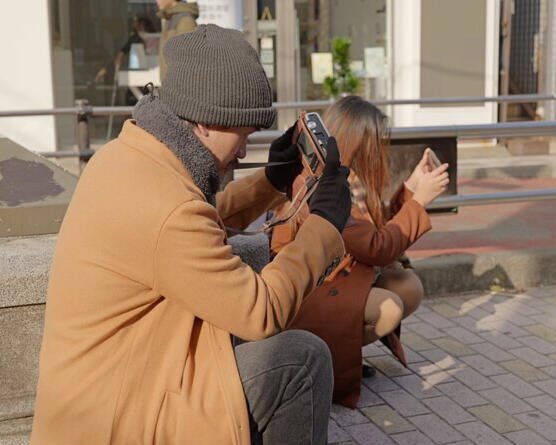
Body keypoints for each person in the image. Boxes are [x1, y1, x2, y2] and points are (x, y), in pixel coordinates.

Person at [31, 25, 351, 445]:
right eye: (243, 133)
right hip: (120, 420)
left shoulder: (129, 156)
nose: (243, 152)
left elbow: (195, 222)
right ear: (204, 121)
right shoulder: (168, 208)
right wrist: (325, 227)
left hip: (100, 396)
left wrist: (270, 182)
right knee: (302, 361)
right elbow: (260, 312)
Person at [271, 96, 449, 408]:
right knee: (390, 306)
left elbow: (376, 233)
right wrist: (419, 202)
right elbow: (376, 248)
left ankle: (342, 350)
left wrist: (410, 187)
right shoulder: (323, 186)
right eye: (376, 140)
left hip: (336, 282)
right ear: (359, 141)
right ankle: (327, 361)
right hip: (309, 292)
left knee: (408, 287)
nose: (381, 148)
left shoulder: (340, 175)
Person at [156, 0, 199, 80]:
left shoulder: (185, 20)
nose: (157, 0)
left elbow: (188, 59)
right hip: (171, 85)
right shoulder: (171, 18)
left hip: (180, 87)